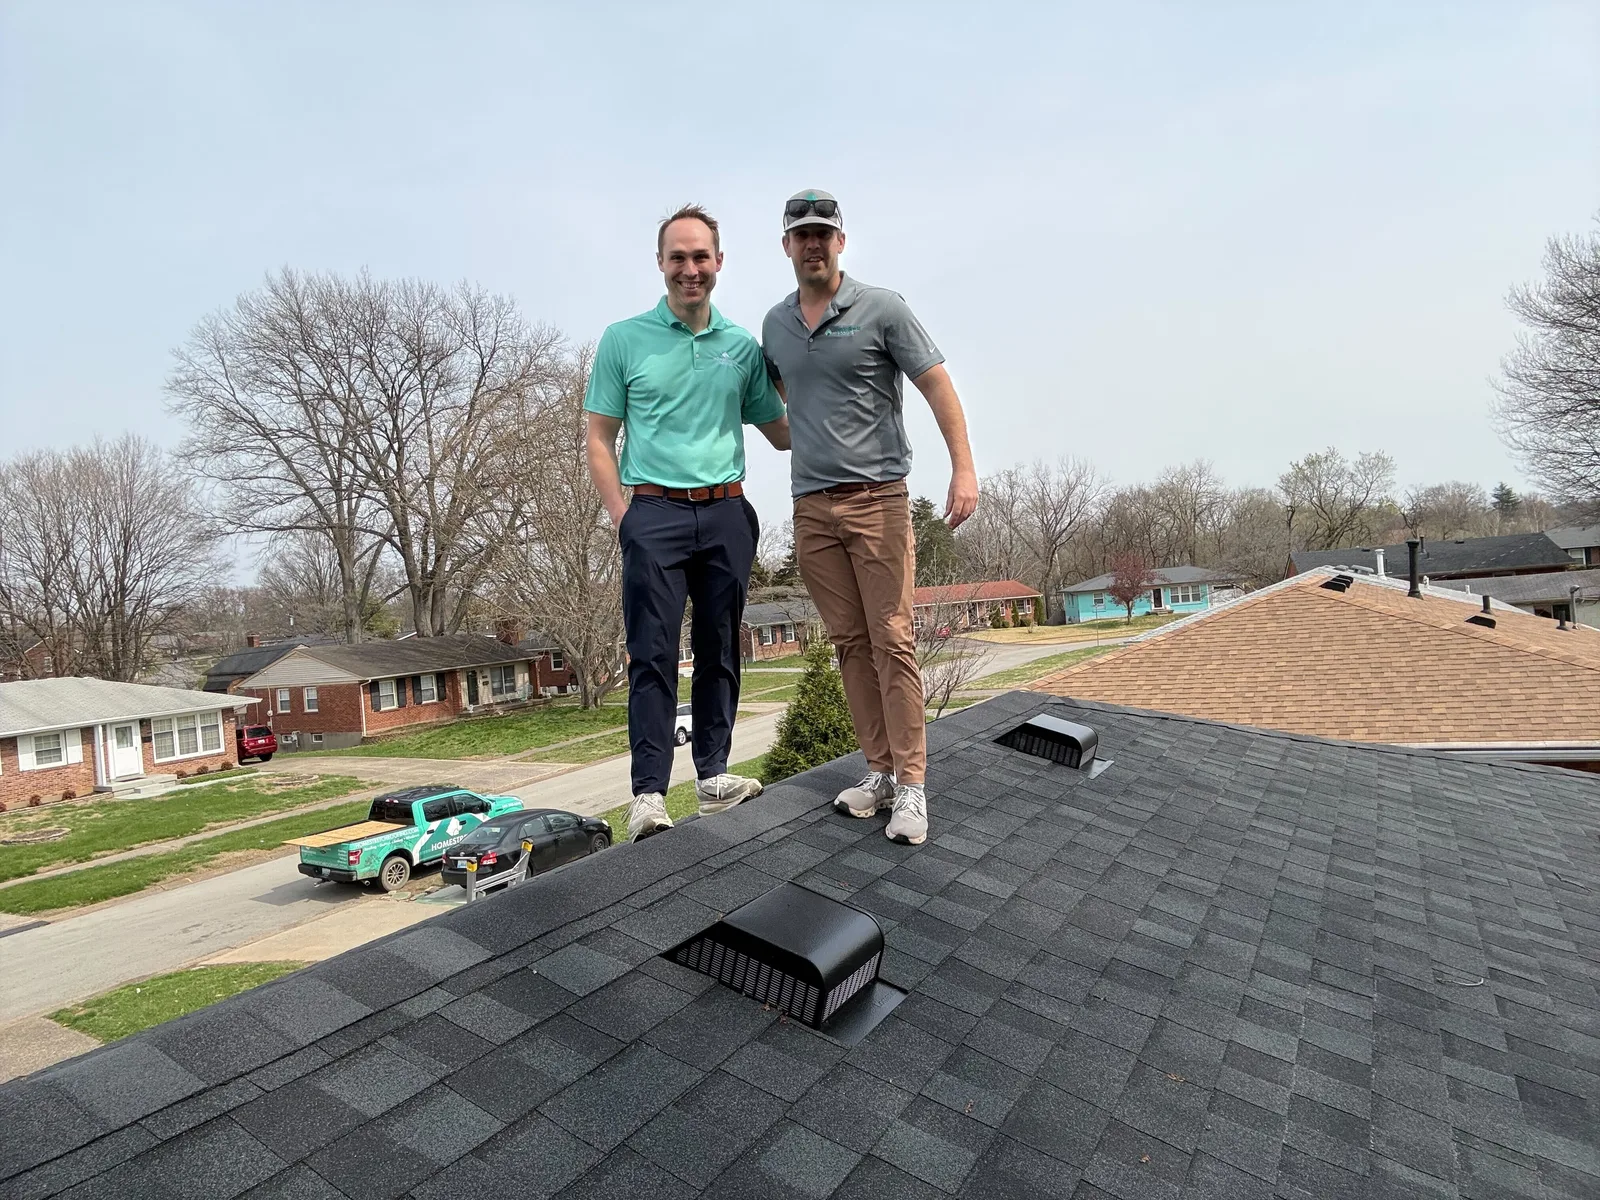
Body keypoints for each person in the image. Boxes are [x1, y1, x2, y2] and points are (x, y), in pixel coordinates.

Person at [761, 190, 978, 846]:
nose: (813, 243)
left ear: (841, 241)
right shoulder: (774, 325)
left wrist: (963, 469)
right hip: (812, 509)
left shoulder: (882, 307)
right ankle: (879, 773)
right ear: (787, 246)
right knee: (850, 645)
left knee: (893, 638)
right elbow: (775, 403)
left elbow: (937, 382)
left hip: (878, 499)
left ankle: (912, 785)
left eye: (824, 232)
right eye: (802, 234)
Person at [585, 204, 789, 841]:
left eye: (701, 257)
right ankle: (648, 794)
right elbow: (598, 437)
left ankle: (713, 775)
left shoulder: (740, 348)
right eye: (678, 257)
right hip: (654, 513)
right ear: (661, 264)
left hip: (727, 511)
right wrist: (625, 519)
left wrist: (812, 376)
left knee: (721, 649)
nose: (690, 269)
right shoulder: (624, 339)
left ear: (719, 263)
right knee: (651, 655)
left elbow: (782, 433)